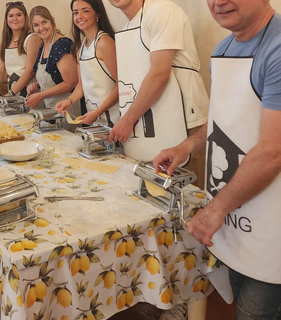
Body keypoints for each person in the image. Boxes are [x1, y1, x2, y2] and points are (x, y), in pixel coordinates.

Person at [153, 0, 281, 318]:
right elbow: (222, 122)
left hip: (271, 223)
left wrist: (215, 210)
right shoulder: (222, 50)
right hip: (236, 219)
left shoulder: (277, 48)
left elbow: (273, 152)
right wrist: (187, 146)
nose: (218, 2)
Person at [108, 0, 209, 166]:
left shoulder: (161, 10)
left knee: (185, 185)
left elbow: (160, 74)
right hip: (148, 117)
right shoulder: (128, 27)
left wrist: (127, 120)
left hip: (185, 117)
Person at [55, 0, 120, 128]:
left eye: (85, 11)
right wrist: (69, 101)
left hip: (113, 117)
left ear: (97, 15)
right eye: (75, 12)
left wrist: (98, 112)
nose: (79, 16)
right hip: (94, 117)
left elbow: (121, 84)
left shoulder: (104, 42)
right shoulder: (80, 47)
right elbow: (81, 85)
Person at [0, 1, 41, 107]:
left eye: (19, 15)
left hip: (29, 94)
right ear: (6, 19)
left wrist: (10, 94)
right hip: (12, 94)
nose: (15, 19)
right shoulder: (5, 42)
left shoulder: (31, 38)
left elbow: (30, 71)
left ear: (25, 17)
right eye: (11, 15)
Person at [25, 6, 78, 115]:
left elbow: (70, 82)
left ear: (52, 21)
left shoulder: (62, 44)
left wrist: (41, 95)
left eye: (44, 22)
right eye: (36, 25)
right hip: (50, 110)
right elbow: (53, 76)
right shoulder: (43, 45)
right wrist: (37, 85)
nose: (41, 28)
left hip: (66, 109)